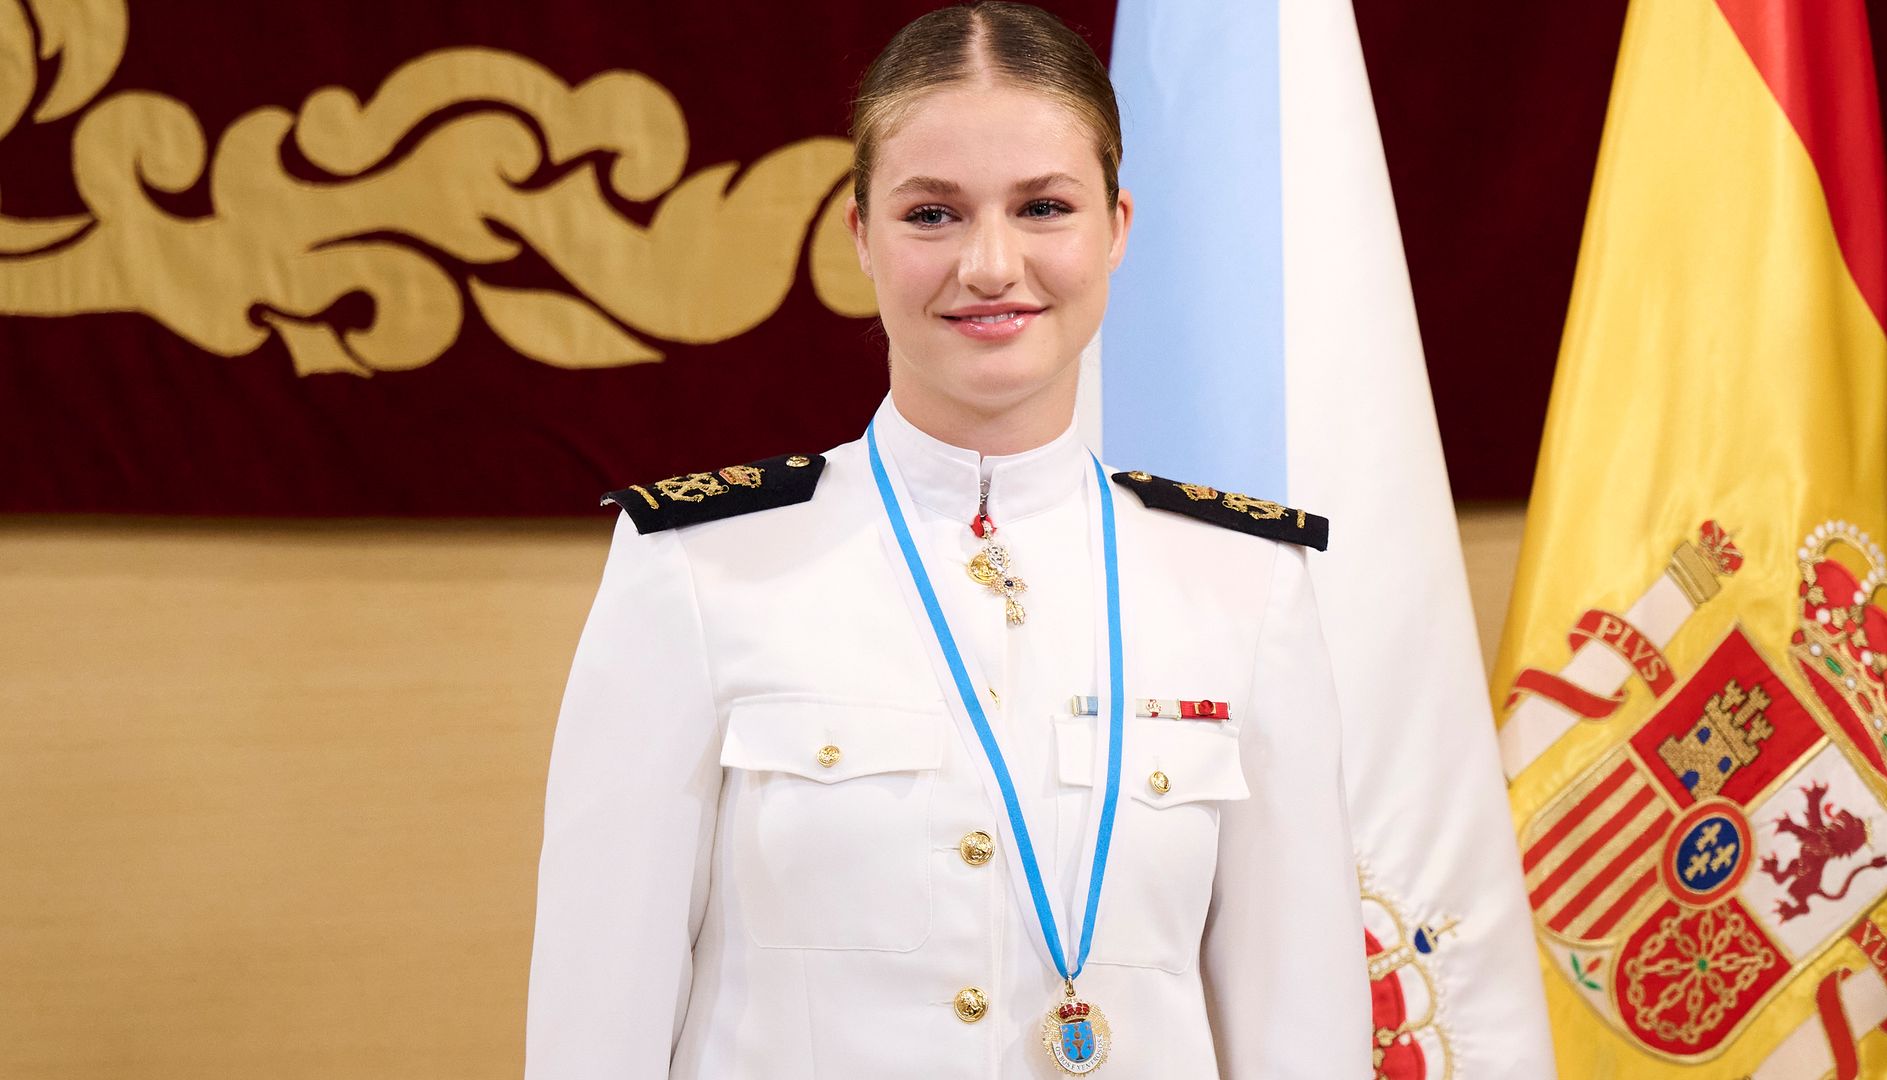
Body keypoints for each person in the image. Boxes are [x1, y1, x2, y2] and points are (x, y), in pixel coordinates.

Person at [523, 3, 1370, 1076]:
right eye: (933, 214)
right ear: (860, 236)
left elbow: (1305, 1031)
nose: (989, 264)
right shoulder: (698, 566)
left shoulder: (1246, 585)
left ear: (1116, 228)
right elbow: (597, 1021)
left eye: (1044, 207)